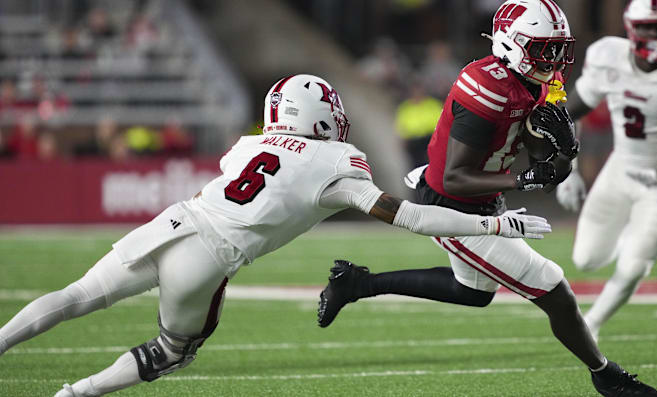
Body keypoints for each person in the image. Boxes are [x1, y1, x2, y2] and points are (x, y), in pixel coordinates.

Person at [0, 74, 551, 397]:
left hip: (172, 222)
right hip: (209, 256)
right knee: (172, 352)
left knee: (75, 296)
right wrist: (494, 222)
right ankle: (74, 394)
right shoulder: (340, 162)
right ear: (320, 116)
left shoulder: (247, 145)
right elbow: (410, 217)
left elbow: (264, 167)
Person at [316, 0, 657, 396]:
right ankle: (606, 375)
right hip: (451, 204)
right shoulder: (486, 87)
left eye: (557, 50)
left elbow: (549, 172)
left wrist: (563, 152)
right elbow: (457, 176)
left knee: (473, 293)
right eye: (543, 48)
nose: (552, 60)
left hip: (483, 197)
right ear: (511, 43)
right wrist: (523, 181)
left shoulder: (542, 80)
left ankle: (355, 284)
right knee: (553, 287)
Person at [555, 0, 657, 341]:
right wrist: (567, 169)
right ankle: (633, 232)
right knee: (586, 259)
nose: (655, 37)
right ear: (631, 28)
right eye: (648, 28)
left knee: (632, 267)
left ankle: (590, 325)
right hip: (620, 169)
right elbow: (571, 112)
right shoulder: (608, 57)